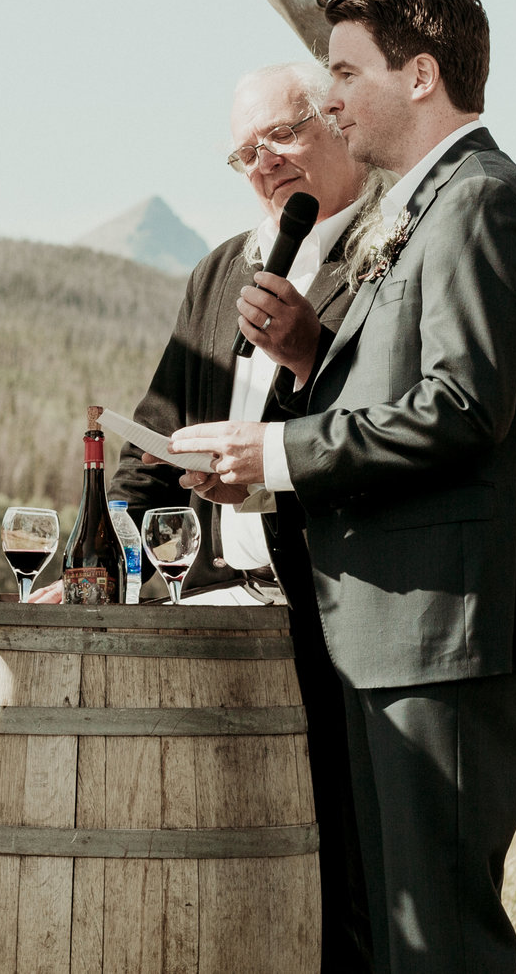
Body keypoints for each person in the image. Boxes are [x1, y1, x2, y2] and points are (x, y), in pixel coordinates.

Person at [172, 0, 516, 974]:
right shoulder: (428, 202)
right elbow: (412, 385)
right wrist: (316, 358)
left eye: (347, 73)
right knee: (384, 937)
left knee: (438, 942)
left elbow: (464, 408)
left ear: (421, 73)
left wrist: (273, 453)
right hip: (390, 626)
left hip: (444, 628)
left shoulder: (479, 201)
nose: (336, 99)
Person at [109, 61, 391, 974]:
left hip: (337, 619)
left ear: (338, 123)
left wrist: (309, 356)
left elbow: (398, 433)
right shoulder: (222, 269)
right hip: (214, 618)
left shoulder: (390, 254)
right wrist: (120, 566)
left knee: (349, 878)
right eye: (243, 154)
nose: (264, 165)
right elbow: (145, 452)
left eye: (280, 136)